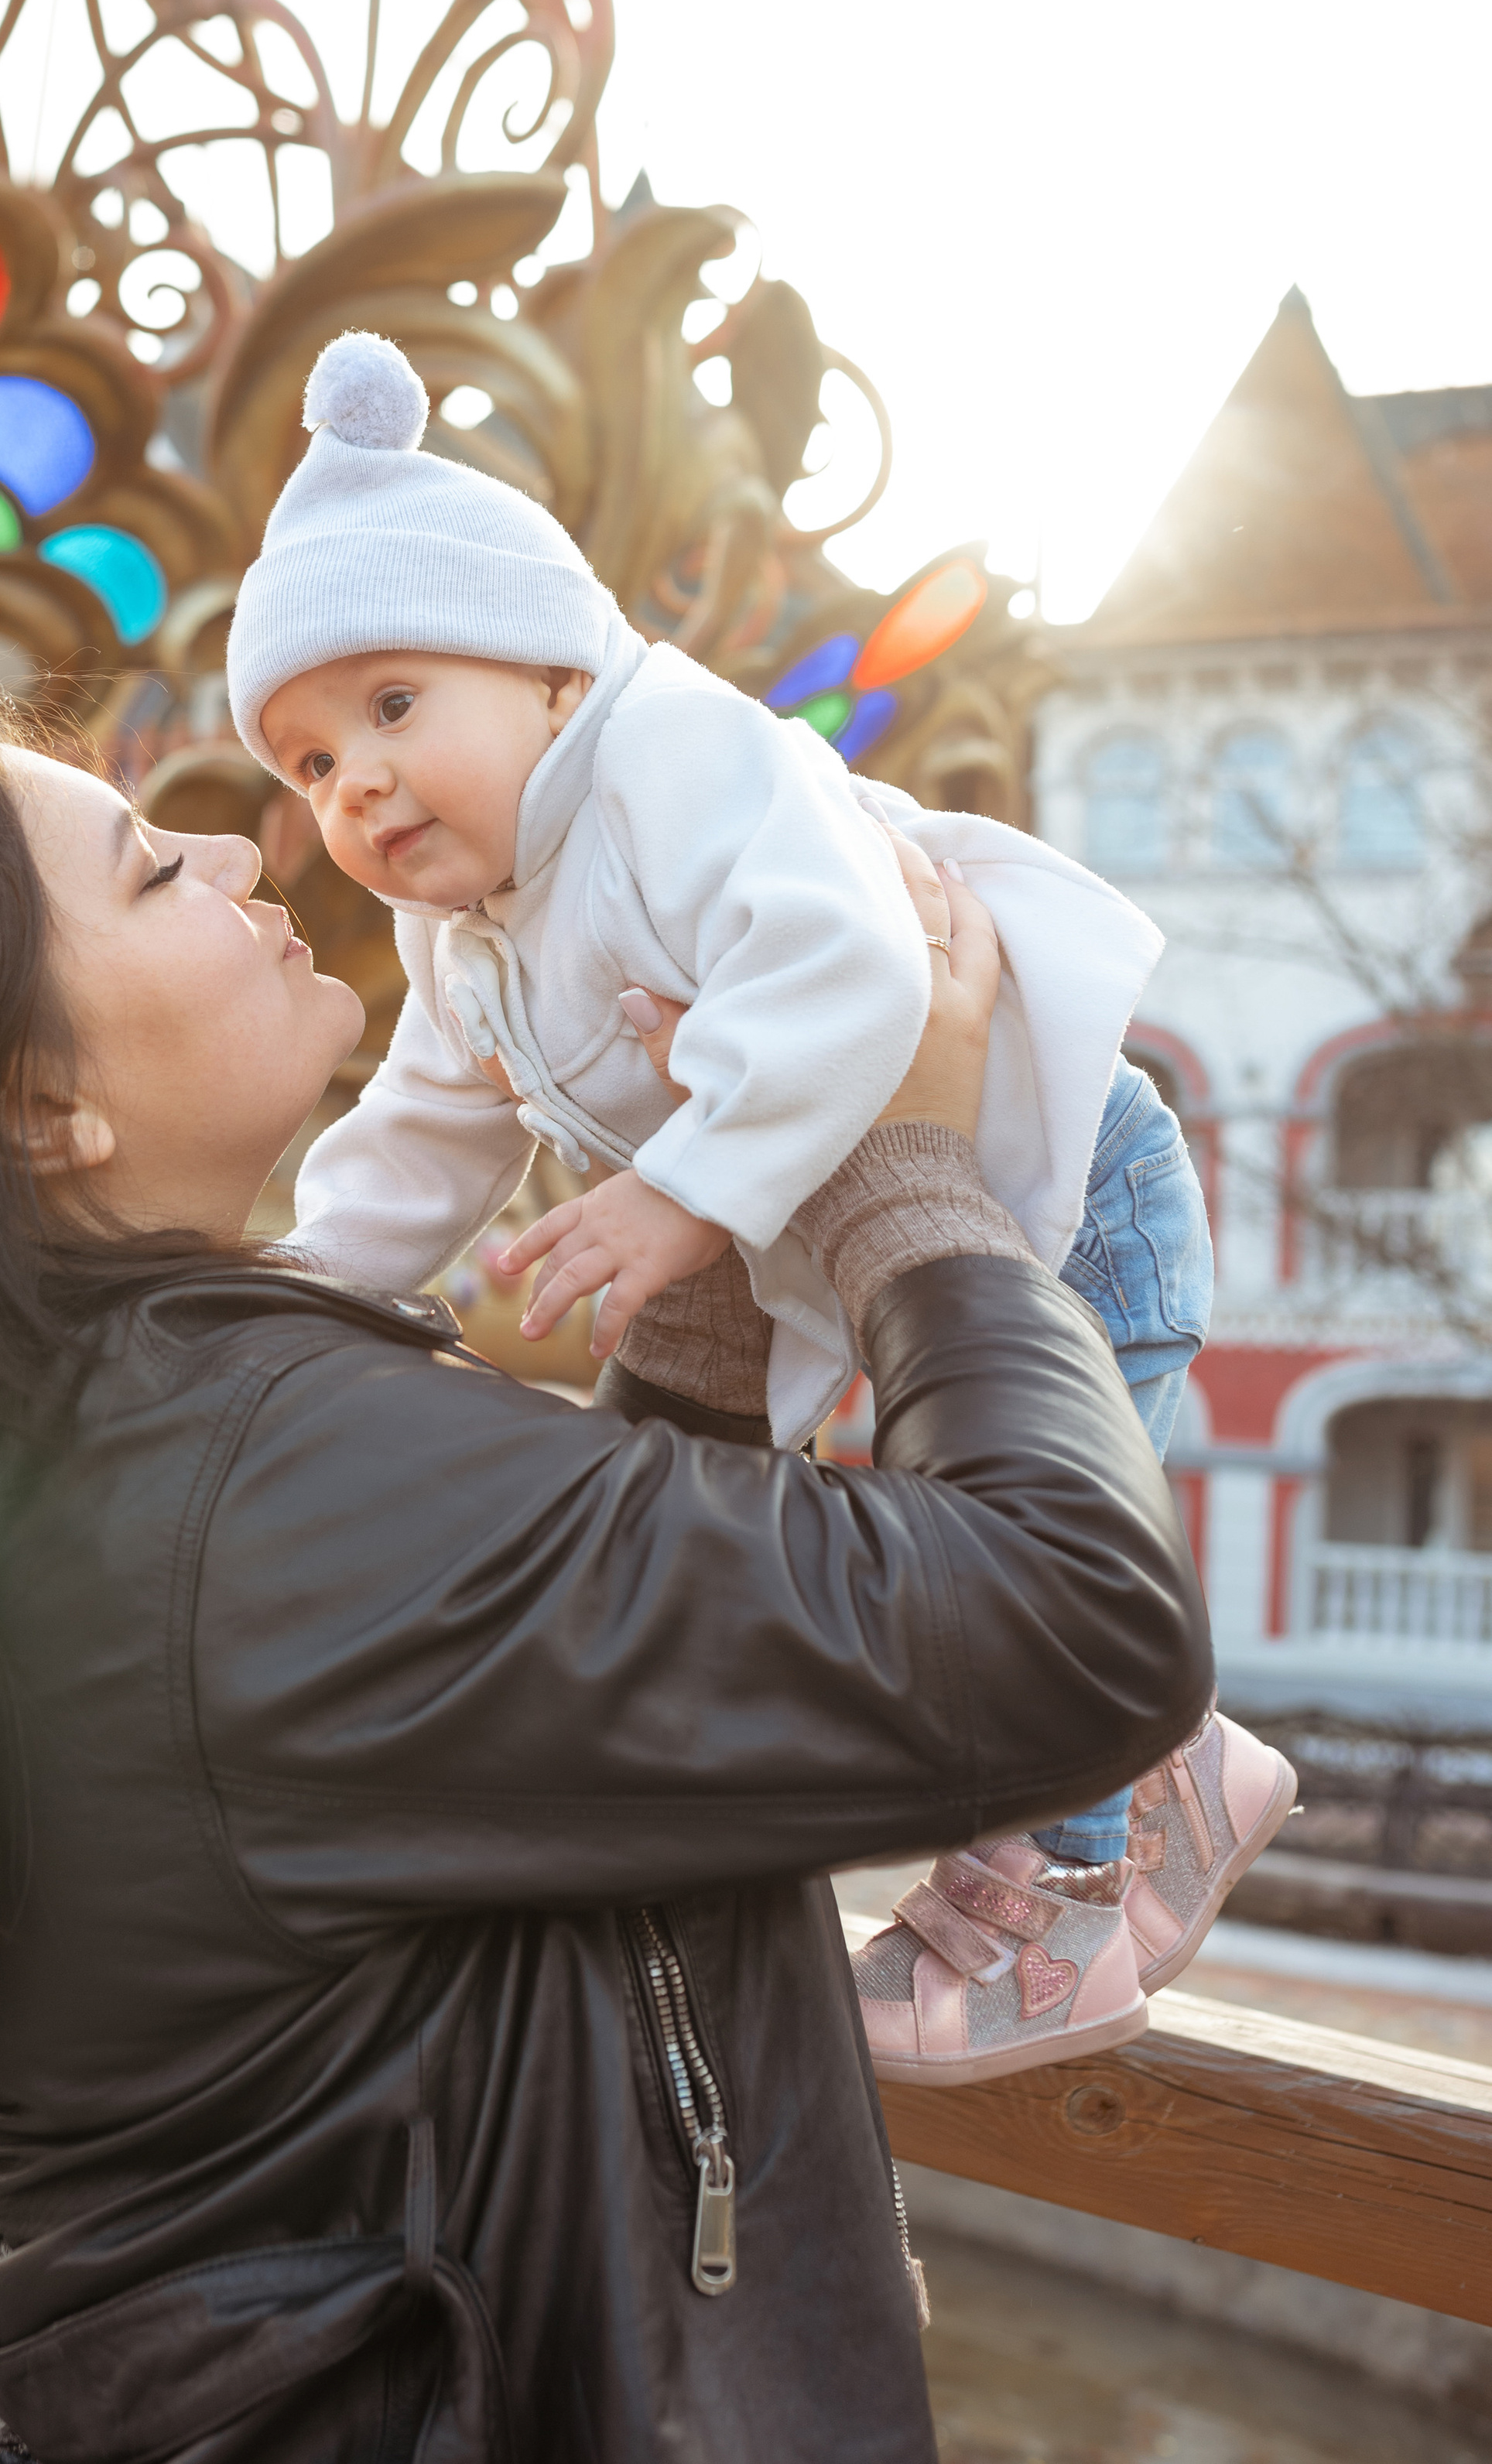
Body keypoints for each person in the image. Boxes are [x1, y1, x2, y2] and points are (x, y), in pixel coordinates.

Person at [0, 700, 1211, 2463]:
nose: (243, 849)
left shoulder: (66, 1454)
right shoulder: (258, 1487)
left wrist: (704, 1315)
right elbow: (1078, 1624)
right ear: (40, 1108)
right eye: (151, 868)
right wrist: (899, 1179)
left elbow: (535, 1689)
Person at [228, 333, 1292, 2081]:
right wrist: (299, 1293)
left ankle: (1074, 1901)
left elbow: (851, 963)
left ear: (553, 673)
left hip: (1062, 1194)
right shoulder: (468, 930)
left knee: (1029, 1582)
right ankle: (1174, 1770)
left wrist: (677, 1193)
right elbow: (420, 1134)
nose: (352, 784)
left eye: (393, 706)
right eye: (307, 763)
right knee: (936, 1551)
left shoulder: (674, 758)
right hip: (891, 1247)